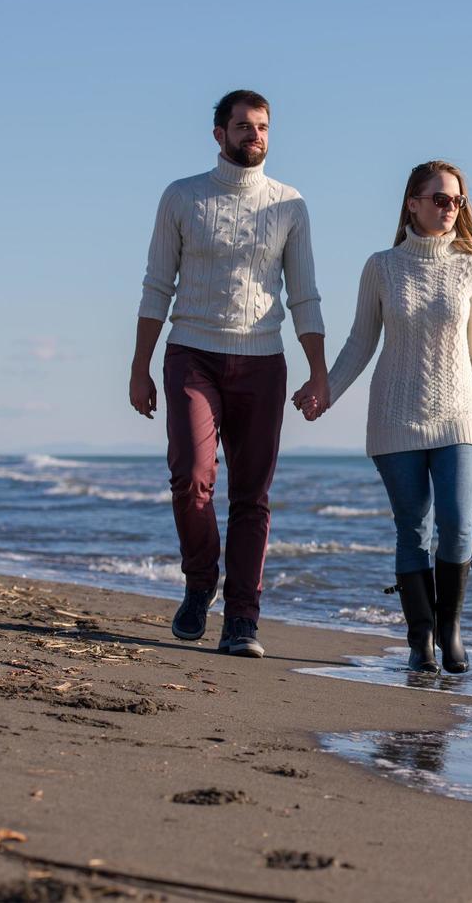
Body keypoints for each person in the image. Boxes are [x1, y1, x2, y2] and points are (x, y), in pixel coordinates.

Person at [129, 89, 328, 659]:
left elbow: (305, 294)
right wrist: (139, 367)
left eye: (262, 127)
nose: (254, 136)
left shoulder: (290, 204)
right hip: (192, 352)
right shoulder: (182, 197)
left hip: (263, 360)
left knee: (251, 495)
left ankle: (242, 617)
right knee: (192, 478)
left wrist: (318, 372)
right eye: (242, 126)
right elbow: (155, 286)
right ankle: (200, 583)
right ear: (219, 134)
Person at [310, 161, 472, 673]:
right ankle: (419, 639)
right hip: (395, 416)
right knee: (412, 530)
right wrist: (325, 389)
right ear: (412, 203)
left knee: (457, 525)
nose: (450, 209)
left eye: (457, 201)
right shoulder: (381, 266)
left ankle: (451, 630)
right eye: (440, 199)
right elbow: (361, 340)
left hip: (459, 417)